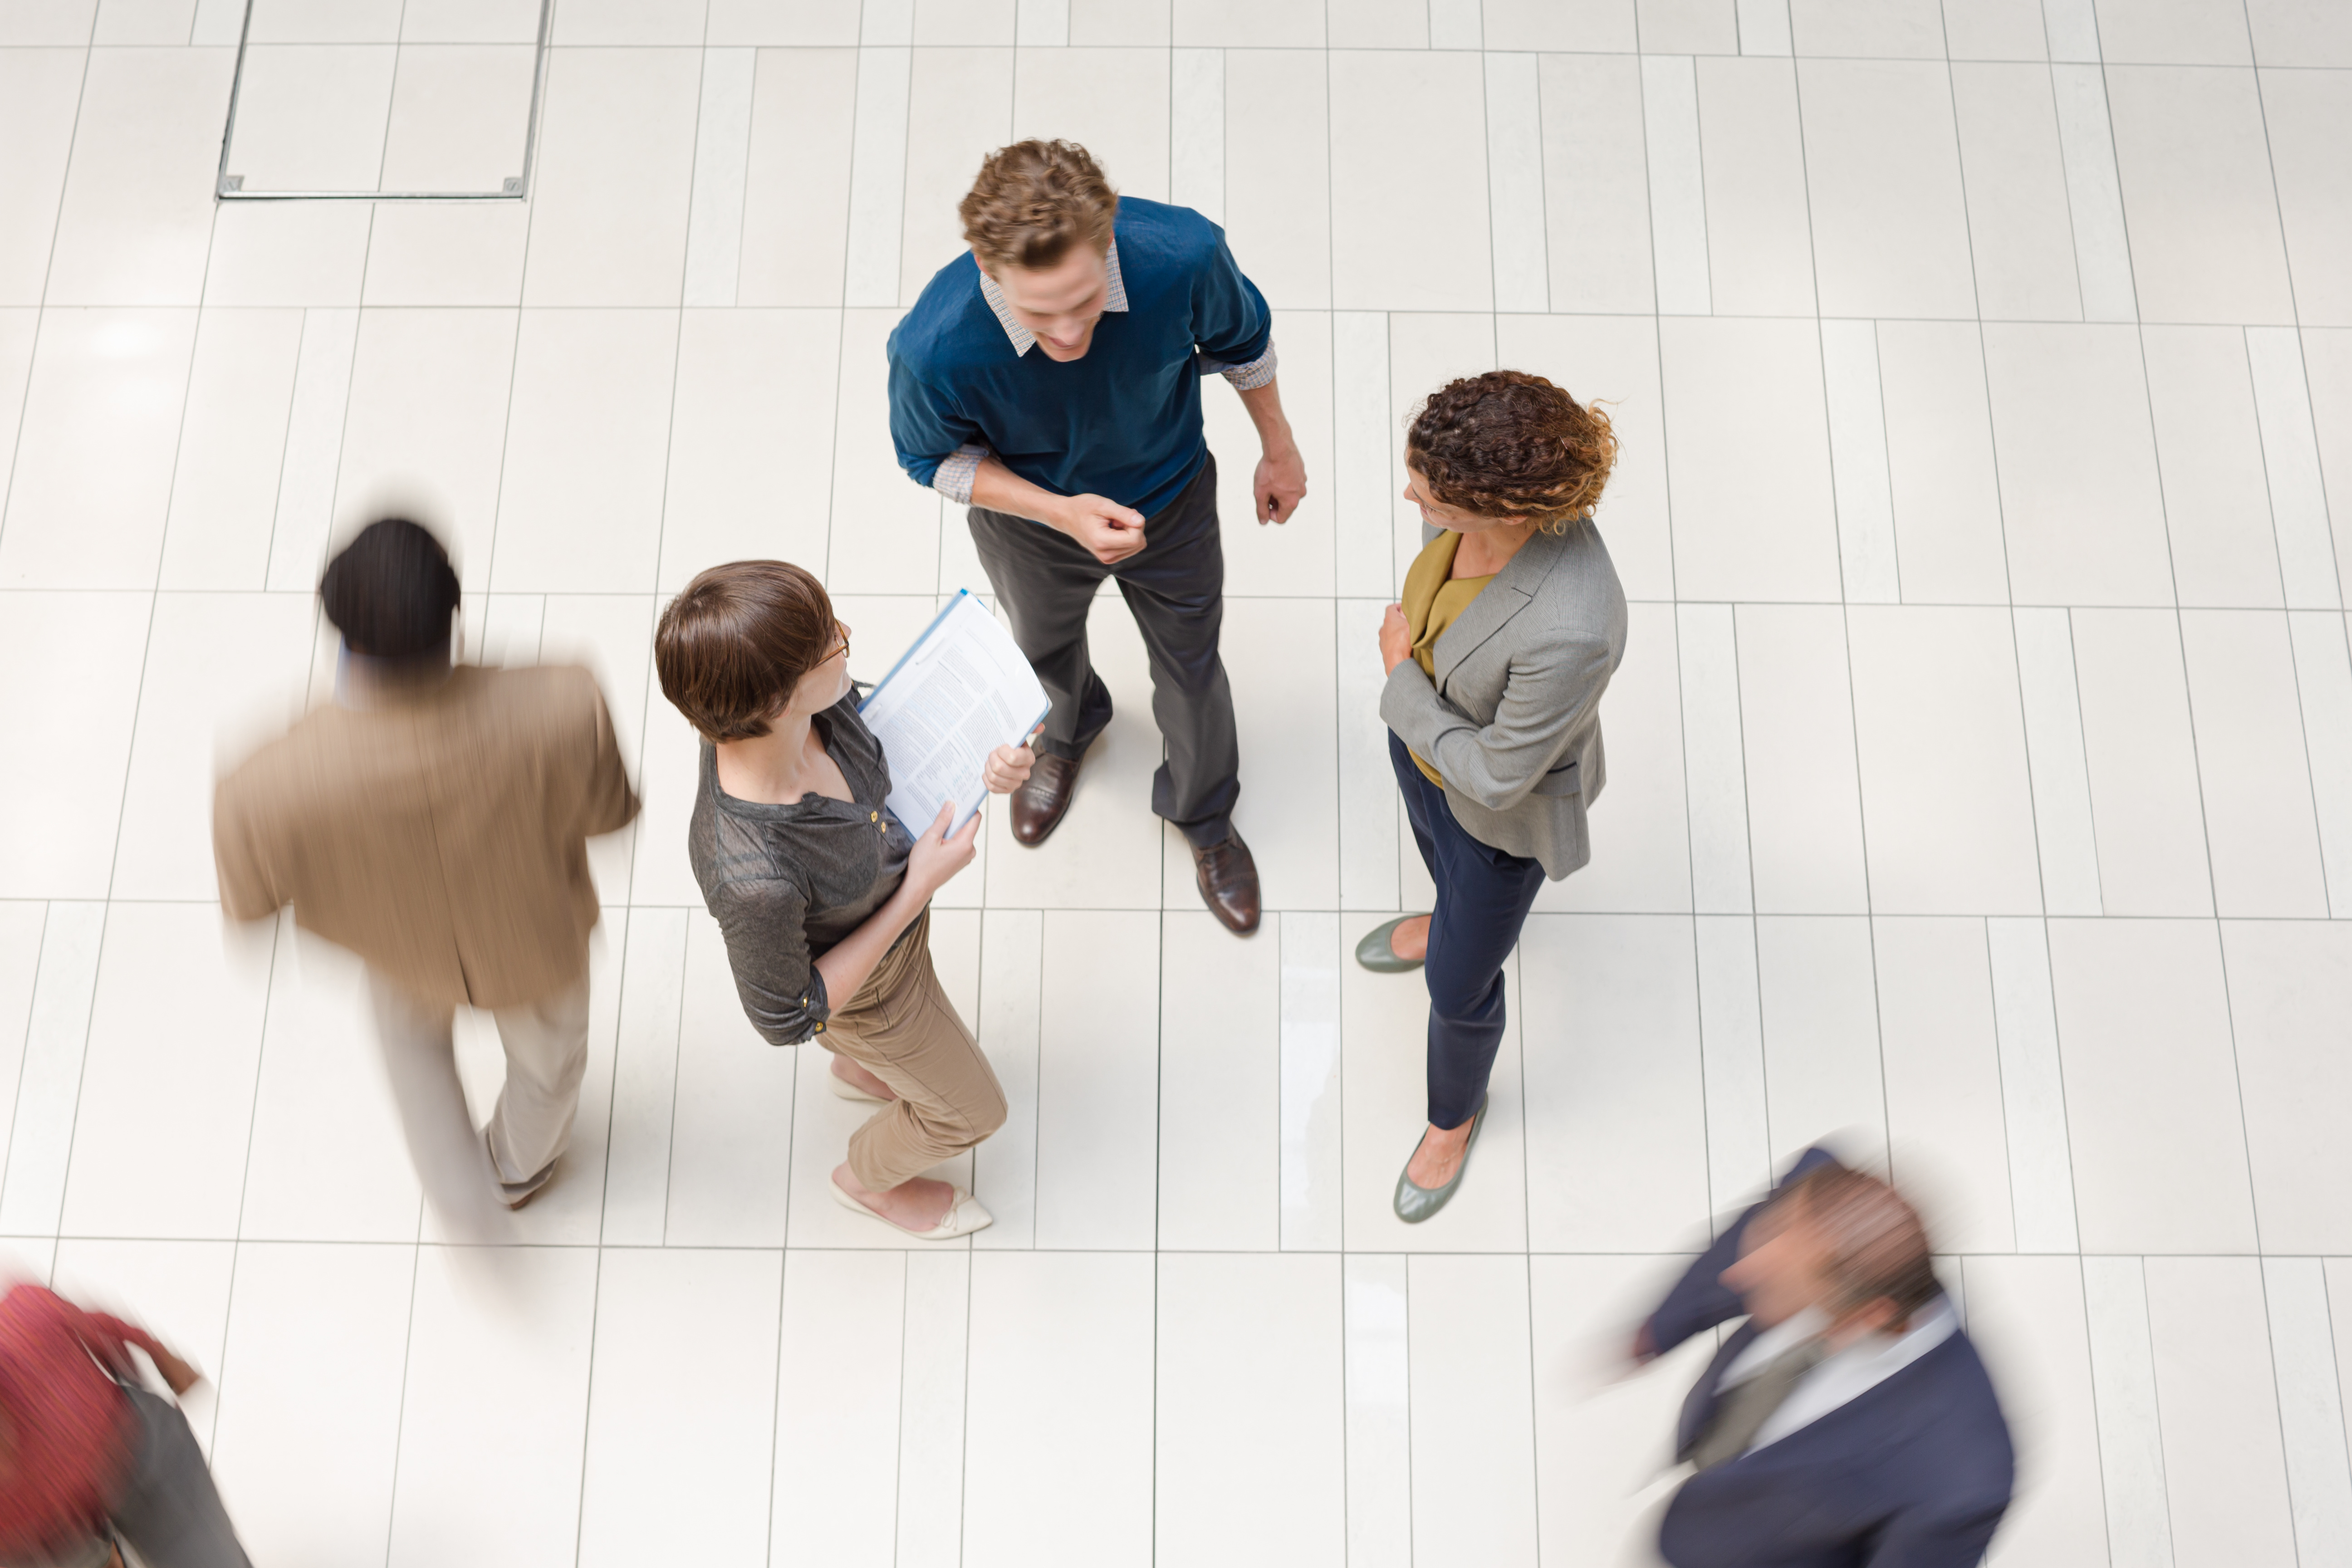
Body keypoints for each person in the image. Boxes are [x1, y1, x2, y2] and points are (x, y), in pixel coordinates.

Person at [887, 138, 1308, 935]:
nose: (1071, 334)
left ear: (1109, 238)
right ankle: (1068, 733)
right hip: (1030, 530)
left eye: (1085, 302)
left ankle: (1204, 816)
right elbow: (927, 461)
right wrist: (1058, 510)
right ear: (984, 268)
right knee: (1041, 653)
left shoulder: (1183, 254)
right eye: (1038, 313)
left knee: (1191, 670)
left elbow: (1243, 345)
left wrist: (1278, 449)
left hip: (1173, 501)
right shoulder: (932, 346)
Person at [212, 518, 639, 1231]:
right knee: (548, 1071)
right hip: (536, 940)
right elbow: (611, 816)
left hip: (395, 953)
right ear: (454, 614)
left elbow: (251, 910)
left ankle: (459, 1200)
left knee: (414, 1062)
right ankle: (516, 1172)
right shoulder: (566, 701)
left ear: (335, 627)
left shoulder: (260, 783)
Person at [655, 561, 1028, 1240]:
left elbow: (880, 723)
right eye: (832, 645)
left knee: (891, 1056)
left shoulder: (798, 713)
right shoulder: (751, 875)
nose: (848, 635)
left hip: (882, 928)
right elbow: (787, 1015)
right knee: (972, 1113)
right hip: (874, 996)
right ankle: (865, 1181)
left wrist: (993, 759)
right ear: (774, 703)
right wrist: (916, 887)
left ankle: (861, 1067)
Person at [1355, 371, 1627, 1222]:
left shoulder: (1574, 622)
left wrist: (1401, 679)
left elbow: (1501, 776)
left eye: (1427, 493)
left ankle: (1452, 1118)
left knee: (1458, 986)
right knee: (1437, 859)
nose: (1410, 497)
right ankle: (1446, 914)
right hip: (1430, 750)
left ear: (1505, 509)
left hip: (1496, 814)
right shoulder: (1477, 499)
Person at [1630, 1150, 2015, 1565]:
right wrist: (1662, 1327)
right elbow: (1736, 1251)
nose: (1738, 1276)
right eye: (1770, 1234)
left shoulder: (1962, 1482)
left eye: (1778, 1289)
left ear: (1867, 1316)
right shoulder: (1817, 1191)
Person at [0, 1280, 251, 1568]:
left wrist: (159, 1353)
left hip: (136, 1453)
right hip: (43, 1536)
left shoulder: (24, 1328)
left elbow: (92, 1323)